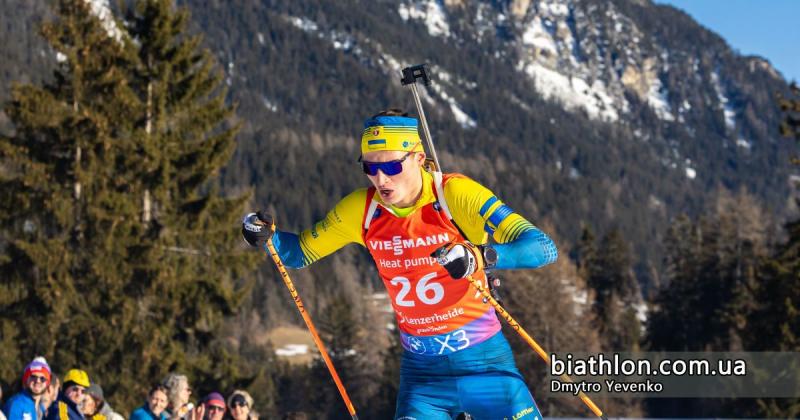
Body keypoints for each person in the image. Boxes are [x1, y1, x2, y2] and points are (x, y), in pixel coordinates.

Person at [242, 110, 557, 419]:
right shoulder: (362, 210)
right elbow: (299, 253)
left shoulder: (454, 194)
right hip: (423, 378)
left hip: (484, 365)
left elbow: (542, 247)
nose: (380, 178)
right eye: (370, 167)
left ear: (418, 158)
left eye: (392, 166)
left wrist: (480, 256)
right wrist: (266, 236)